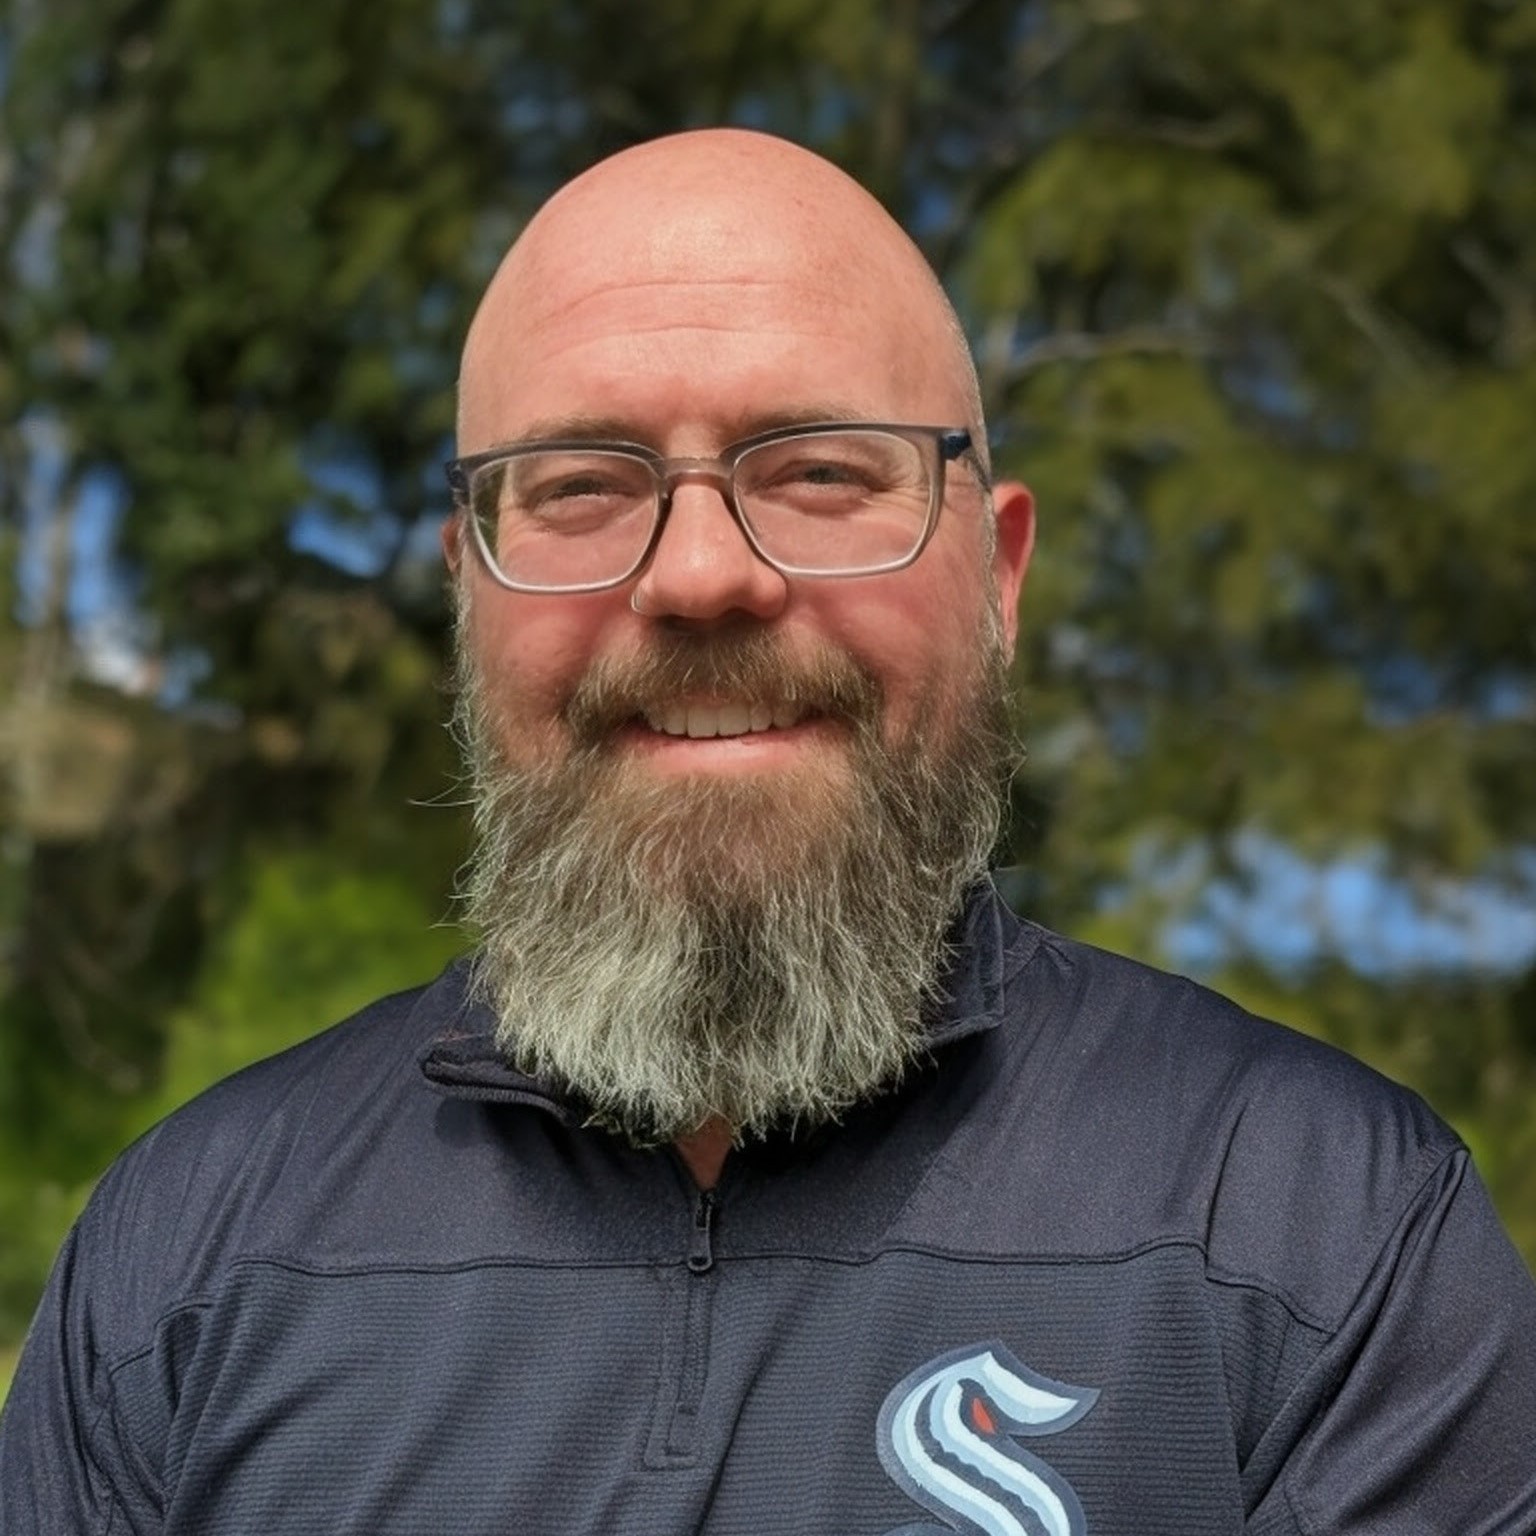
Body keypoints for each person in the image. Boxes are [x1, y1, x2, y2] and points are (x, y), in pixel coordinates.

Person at [2, 129, 1533, 1536]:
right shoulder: (182, 1261)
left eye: (818, 471)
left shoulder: (1323, 1233)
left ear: (999, 580)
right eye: (584, 484)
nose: (699, 576)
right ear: (469, 588)